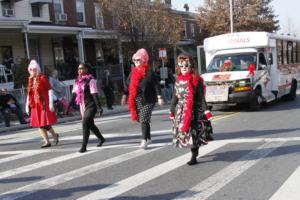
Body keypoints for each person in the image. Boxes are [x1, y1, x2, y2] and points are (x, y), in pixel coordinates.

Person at [170, 54, 214, 165]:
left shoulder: (196, 80)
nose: (183, 67)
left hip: (194, 111)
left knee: (194, 134)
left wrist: (206, 111)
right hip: (181, 111)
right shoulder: (178, 81)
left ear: (191, 66)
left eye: (186, 65)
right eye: (181, 65)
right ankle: (194, 151)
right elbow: (175, 97)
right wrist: (172, 110)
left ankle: (194, 155)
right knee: (186, 134)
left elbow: (201, 97)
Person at [121, 48, 164, 149]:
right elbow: (128, 86)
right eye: (135, 60)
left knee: (143, 118)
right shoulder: (132, 73)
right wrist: (124, 95)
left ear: (144, 60)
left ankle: (144, 140)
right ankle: (148, 138)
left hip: (148, 99)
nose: (136, 62)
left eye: (138, 60)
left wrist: (159, 97)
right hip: (137, 100)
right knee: (142, 120)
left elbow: (156, 85)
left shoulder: (149, 72)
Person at [67, 63, 105, 153]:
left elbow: (95, 94)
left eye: (82, 68)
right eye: (78, 69)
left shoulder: (90, 81)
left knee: (85, 123)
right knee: (90, 125)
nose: (79, 70)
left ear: (86, 70)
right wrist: (68, 107)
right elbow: (74, 95)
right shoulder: (76, 81)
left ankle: (84, 146)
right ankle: (101, 139)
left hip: (91, 105)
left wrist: (99, 108)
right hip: (83, 106)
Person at [25, 60, 59, 148]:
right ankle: (47, 141)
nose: (33, 71)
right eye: (31, 70)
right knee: (39, 124)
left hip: (43, 103)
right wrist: (27, 104)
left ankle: (54, 135)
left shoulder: (42, 78)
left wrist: (51, 103)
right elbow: (29, 93)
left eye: (35, 69)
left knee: (44, 123)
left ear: (38, 69)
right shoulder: (30, 80)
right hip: (35, 105)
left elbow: (50, 90)